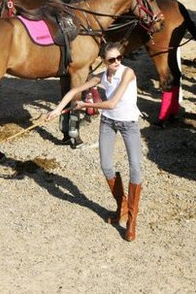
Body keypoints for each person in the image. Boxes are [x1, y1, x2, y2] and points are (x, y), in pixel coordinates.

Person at [47, 42, 143, 242]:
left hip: (129, 123)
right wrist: (57, 110)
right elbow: (74, 91)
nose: (117, 62)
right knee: (106, 165)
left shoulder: (128, 73)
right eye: (112, 60)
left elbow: (112, 103)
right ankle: (121, 206)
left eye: (119, 58)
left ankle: (131, 220)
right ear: (104, 61)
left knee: (135, 168)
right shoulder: (100, 77)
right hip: (108, 121)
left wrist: (86, 104)